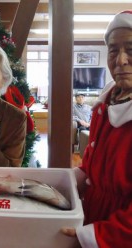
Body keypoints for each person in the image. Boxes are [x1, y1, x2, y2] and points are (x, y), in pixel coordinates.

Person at [63, 10, 132, 247]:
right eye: (113, 50)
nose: (120, 60)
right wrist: (71, 180)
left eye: (130, 50)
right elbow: (91, 163)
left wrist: (95, 236)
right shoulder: (105, 104)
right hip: (92, 213)